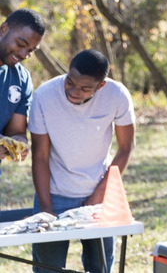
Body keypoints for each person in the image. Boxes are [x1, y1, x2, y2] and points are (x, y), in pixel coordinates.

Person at [29, 49, 134, 273]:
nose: (74, 91)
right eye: (70, 82)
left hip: (99, 194)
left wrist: (99, 194)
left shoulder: (117, 95)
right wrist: (46, 208)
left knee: (101, 267)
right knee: (48, 268)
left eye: (85, 88)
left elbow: (126, 148)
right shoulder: (44, 95)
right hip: (54, 194)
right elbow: (40, 155)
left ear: (101, 86)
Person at [0, 9, 46, 175]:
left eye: (31, 50)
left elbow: (16, 131)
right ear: (3, 30)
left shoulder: (21, 79)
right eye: (21, 44)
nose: (24, 54)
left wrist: (18, 142)